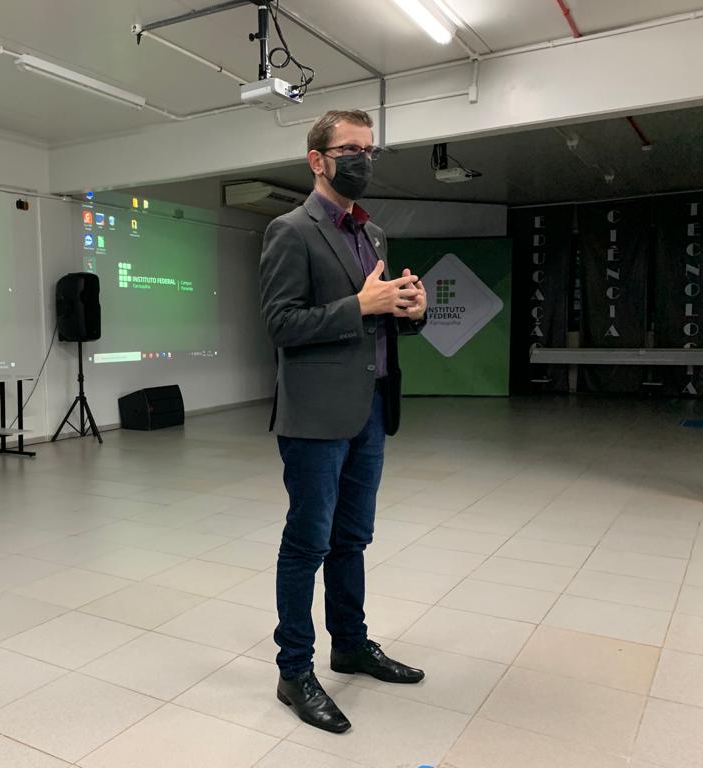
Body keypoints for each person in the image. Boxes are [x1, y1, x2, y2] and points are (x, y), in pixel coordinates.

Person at [259, 109, 429, 733]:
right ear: (317, 160)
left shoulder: (373, 233)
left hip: (370, 408)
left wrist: (410, 310)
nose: (363, 160)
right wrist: (358, 304)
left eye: (369, 150)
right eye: (350, 149)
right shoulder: (289, 230)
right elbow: (281, 324)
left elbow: (377, 317)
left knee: (352, 538)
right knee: (308, 542)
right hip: (314, 416)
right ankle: (294, 671)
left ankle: (350, 645)